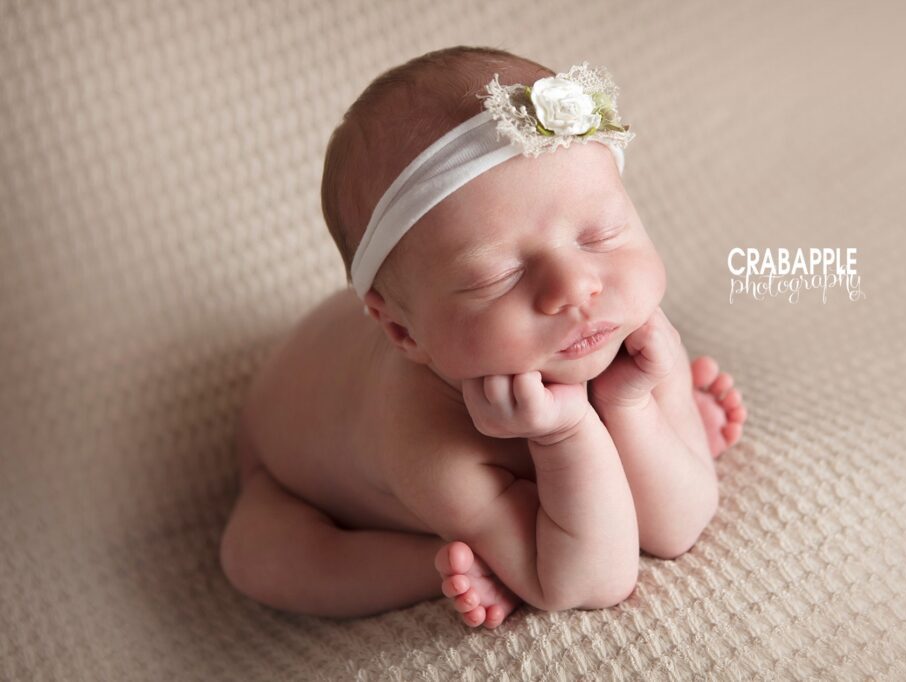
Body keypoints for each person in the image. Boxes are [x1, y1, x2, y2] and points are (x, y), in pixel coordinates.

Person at [219, 45, 746, 630]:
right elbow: (590, 580)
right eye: (499, 275)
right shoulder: (426, 441)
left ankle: (637, 451)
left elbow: (678, 528)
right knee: (254, 559)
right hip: (284, 474)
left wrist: (631, 405)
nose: (575, 287)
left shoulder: (620, 324)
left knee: (642, 468)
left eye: (602, 235)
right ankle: (443, 563)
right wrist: (564, 435)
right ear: (402, 329)